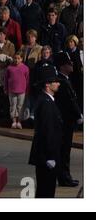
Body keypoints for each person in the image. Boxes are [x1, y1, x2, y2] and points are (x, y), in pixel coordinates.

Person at [29, 64, 63, 198]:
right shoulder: (46, 103)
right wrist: (50, 156)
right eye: (55, 81)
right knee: (46, 191)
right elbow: (47, 131)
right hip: (47, 157)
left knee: (46, 190)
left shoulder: (47, 100)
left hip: (47, 156)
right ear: (47, 85)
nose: (58, 84)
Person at [53, 52, 82, 187]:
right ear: (62, 66)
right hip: (65, 122)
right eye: (68, 63)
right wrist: (78, 115)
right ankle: (64, 177)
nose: (71, 64)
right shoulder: (61, 81)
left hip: (67, 121)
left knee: (65, 150)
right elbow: (70, 102)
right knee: (64, 151)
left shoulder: (65, 79)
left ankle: (65, 176)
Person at [4, 52, 29, 129]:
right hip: (12, 90)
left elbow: (27, 80)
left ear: (21, 59)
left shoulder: (25, 68)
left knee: (20, 106)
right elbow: (6, 79)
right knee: (13, 106)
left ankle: (19, 121)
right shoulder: (9, 68)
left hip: (22, 90)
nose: (17, 60)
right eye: (15, 58)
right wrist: (6, 88)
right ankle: (14, 121)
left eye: (19, 58)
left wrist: (27, 89)